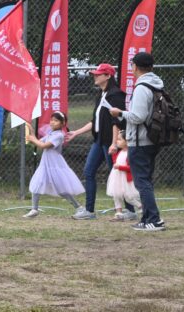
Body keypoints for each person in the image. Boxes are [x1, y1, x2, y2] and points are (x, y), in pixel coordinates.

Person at [66, 63, 135, 220]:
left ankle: (130, 210)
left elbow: (117, 121)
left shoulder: (116, 95)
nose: (95, 76)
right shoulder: (101, 94)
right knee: (89, 171)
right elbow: (95, 121)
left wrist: (114, 143)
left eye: (98, 74)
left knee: (117, 174)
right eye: (95, 74)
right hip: (99, 140)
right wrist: (76, 132)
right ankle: (89, 211)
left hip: (110, 142)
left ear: (108, 76)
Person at [110, 52, 166, 231]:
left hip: (141, 142)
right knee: (145, 181)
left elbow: (138, 116)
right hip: (150, 139)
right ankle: (147, 218)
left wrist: (119, 113)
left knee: (142, 182)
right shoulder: (156, 84)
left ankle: (154, 219)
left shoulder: (142, 87)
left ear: (135, 66)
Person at [23, 112, 85, 218]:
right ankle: (34, 209)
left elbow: (44, 145)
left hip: (55, 165)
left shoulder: (59, 135)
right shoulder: (51, 134)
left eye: (56, 121)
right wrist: (31, 131)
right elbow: (38, 142)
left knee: (62, 190)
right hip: (45, 164)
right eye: (52, 120)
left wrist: (33, 139)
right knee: (37, 184)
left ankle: (79, 208)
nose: (52, 122)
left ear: (63, 123)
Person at [106, 131, 142, 221]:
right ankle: (118, 213)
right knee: (116, 194)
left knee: (129, 197)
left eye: (119, 139)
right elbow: (116, 162)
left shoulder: (130, 154)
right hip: (117, 177)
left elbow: (131, 168)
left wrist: (120, 167)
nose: (116, 141)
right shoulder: (120, 152)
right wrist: (113, 154)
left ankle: (142, 207)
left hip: (126, 178)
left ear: (127, 141)